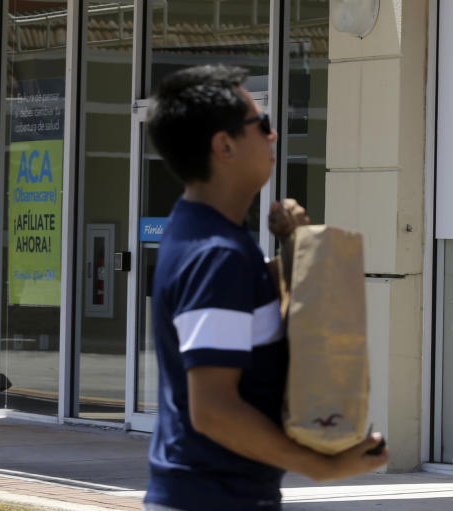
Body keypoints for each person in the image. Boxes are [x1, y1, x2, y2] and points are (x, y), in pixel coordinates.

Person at [143, 65, 388, 511]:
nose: (273, 136)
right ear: (225, 145)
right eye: (263, 126)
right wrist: (323, 467)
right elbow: (213, 409)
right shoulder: (217, 255)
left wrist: (294, 246)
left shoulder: (202, 234)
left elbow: (255, 310)